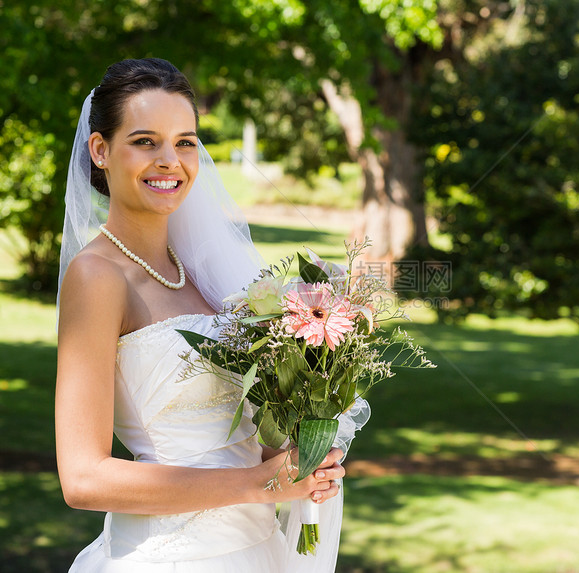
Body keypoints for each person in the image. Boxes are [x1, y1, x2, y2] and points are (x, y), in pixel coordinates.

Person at [55, 58, 368, 572]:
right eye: (144, 141)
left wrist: (300, 453)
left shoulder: (206, 273)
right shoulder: (98, 277)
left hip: (255, 552)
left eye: (184, 141)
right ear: (100, 150)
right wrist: (257, 485)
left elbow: (243, 433)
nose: (169, 160)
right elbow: (84, 479)